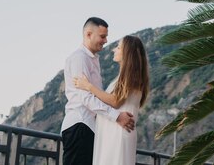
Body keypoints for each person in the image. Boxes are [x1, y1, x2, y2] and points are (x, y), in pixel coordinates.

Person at [61, 17, 136, 165]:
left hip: (88, 128)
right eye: (102, 36)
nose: (106, 40)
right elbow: (86, 98)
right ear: (89, 34)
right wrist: (117, 117)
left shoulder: (93, 59)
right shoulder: (79, 59)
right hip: (80, 125)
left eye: (106, 36)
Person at [74, 35, 150, 165]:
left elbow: (115, 101)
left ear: (127, 53)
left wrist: (88, 86)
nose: (114, 50)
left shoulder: (131, 77)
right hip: (113, 134)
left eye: (119, 47)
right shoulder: (125, 78)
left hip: (118, 135)